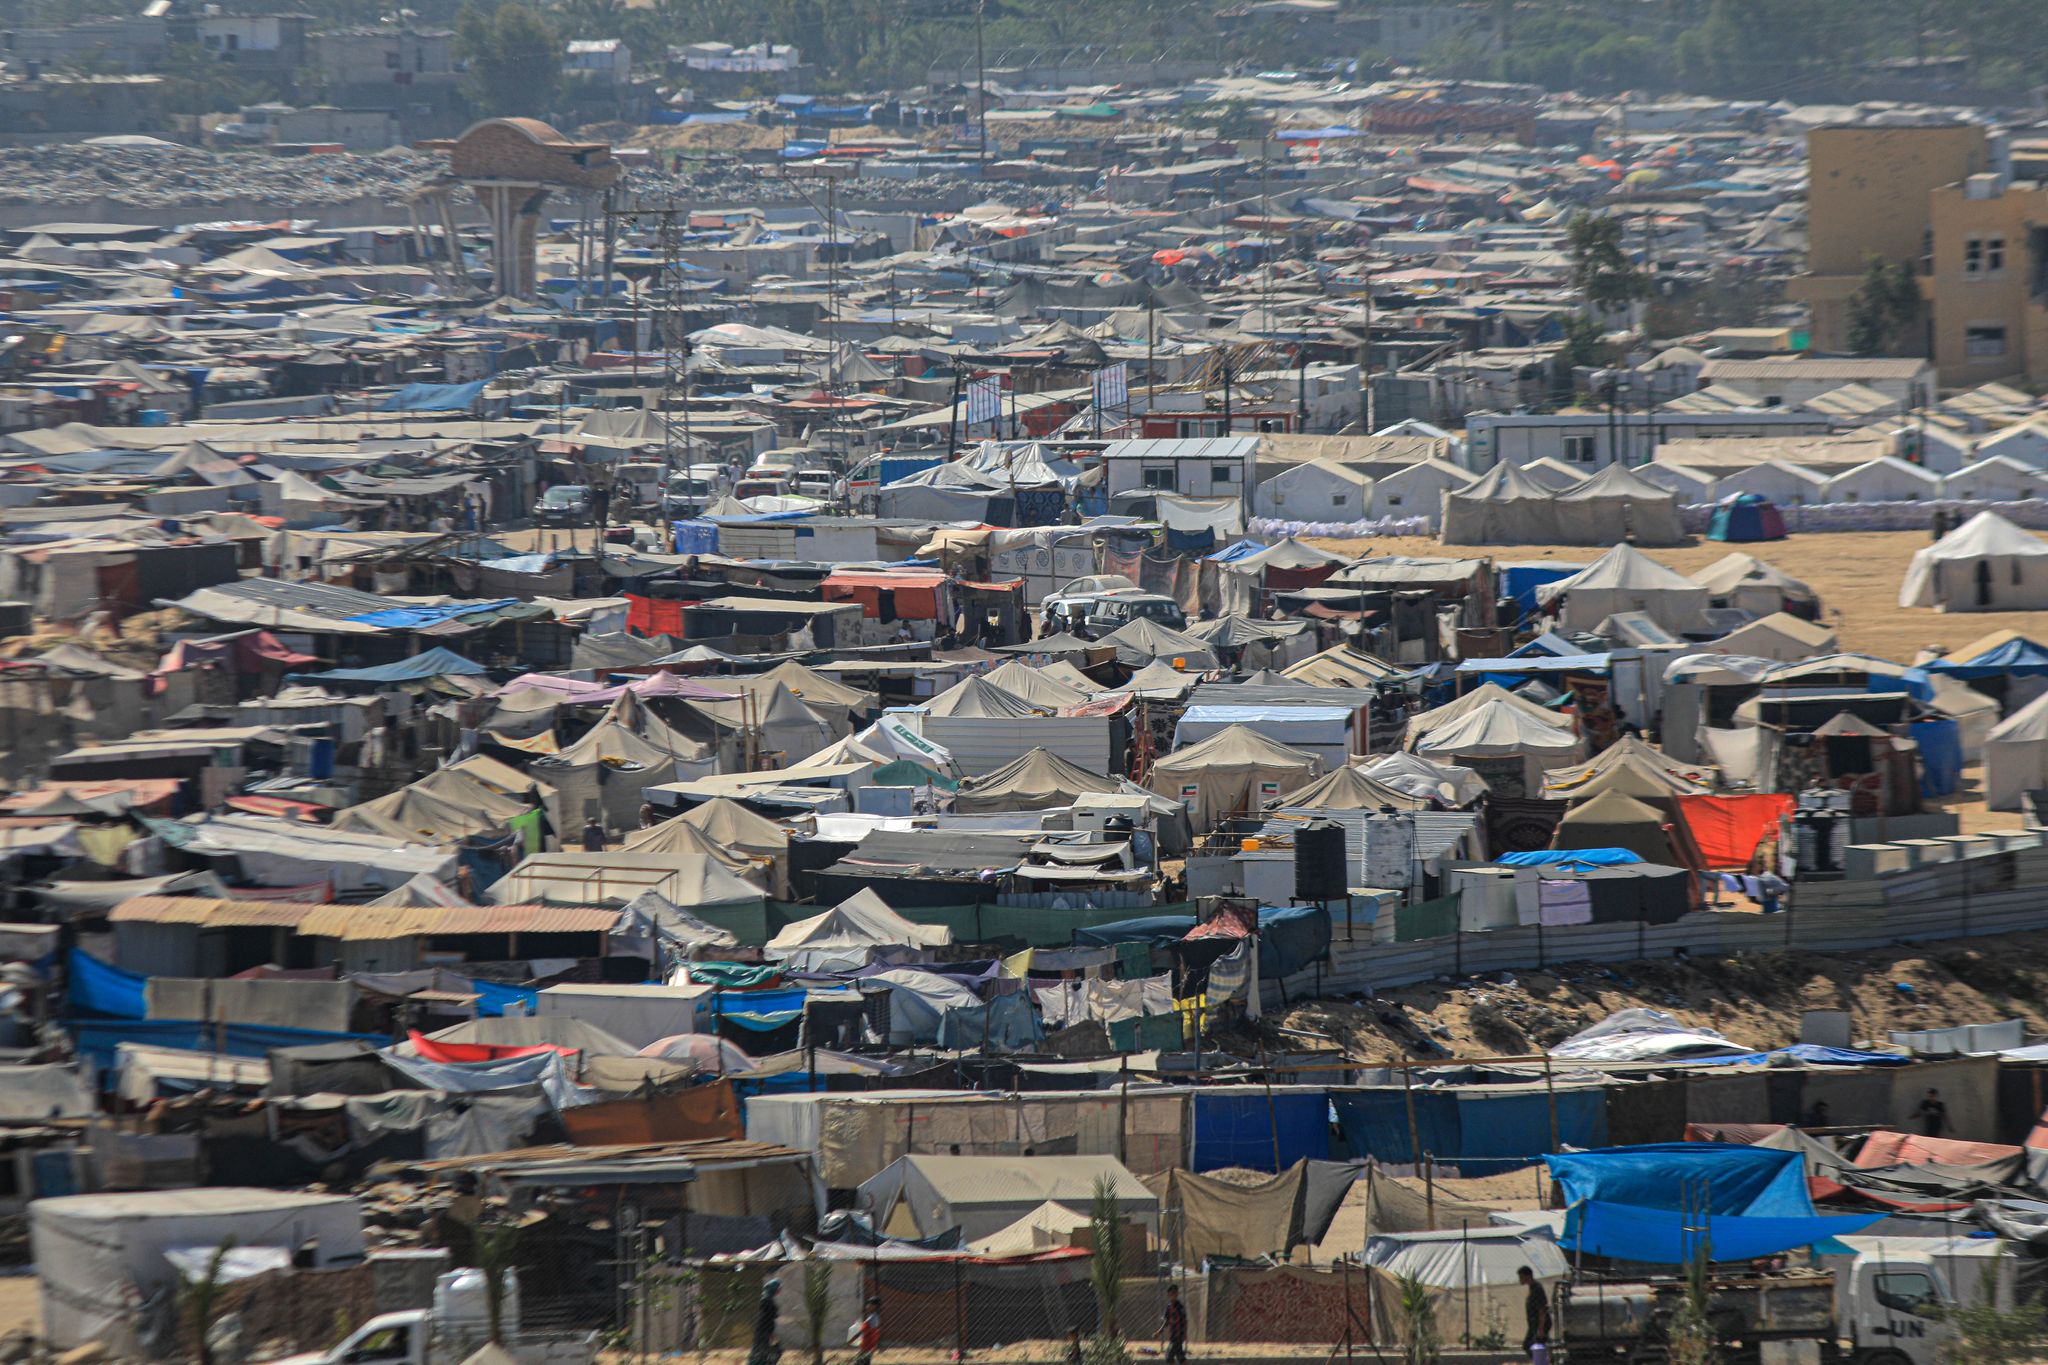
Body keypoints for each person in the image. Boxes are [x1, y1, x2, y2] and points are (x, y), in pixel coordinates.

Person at [747, 1278, 780, 1365]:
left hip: (764, 1330)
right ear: (774, 1288)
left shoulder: (767, 1298)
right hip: (764, 1331)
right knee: (762, 1353)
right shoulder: (767, 1300)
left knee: (763, 1353)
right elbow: (767, 1318)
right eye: (778, 1288)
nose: (779, 1290)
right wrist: (770, 1333)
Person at [1520, 1266, 1551, 1358]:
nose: (1520, 1280)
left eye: (1521, 1277)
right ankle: (1543, 1361)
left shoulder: (1537, 1289)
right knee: (1532, 1346)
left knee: (1531, 1346)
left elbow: (1542, 1310)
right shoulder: (1532, 1288)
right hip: (1534, 1324)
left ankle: (1543, 1361)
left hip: (1540, 1324)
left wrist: (1541, 1329)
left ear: (1527, 1276)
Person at [1161, 1283, 1188, 1364]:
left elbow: (1184, 1321)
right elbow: (1166, 1322)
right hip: (1172, 1336)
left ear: (1177, 1294)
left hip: (1178, 1337)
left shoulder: (1180, 1307)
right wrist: (1159, 1332)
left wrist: (1184, 1335)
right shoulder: (1169, 1307)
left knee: (1169, 1357)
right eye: (1171, 1293)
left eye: (1174, 1293)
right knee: (1181, 1358)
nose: (1172, 1295)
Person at [850, 1296, 880, 1365]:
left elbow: (865, 1331)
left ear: (874, 1306)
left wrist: (854, 1338)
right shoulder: (874, 1317)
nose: (867, 1306)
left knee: (859, 1362)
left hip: (867, 1346)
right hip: (868, 1346)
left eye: (869, 1304)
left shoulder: (872, 1318)